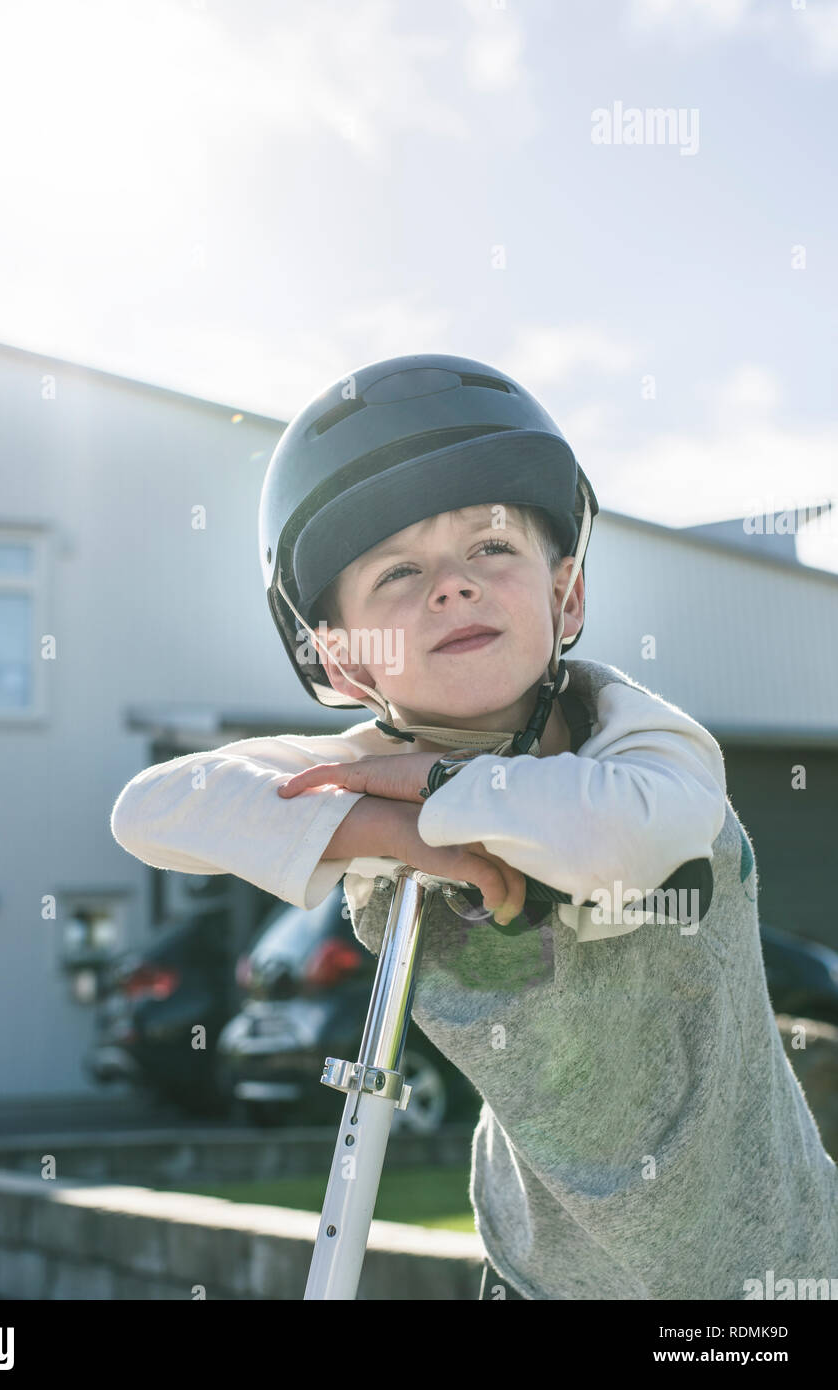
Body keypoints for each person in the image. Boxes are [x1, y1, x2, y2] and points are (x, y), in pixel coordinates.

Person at [110, 352, 838, 1300]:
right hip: (536, 1276)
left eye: (491, 548)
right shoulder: (367, 778)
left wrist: (429, 783)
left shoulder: (646, 740)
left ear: (565, 595)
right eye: (398, 572)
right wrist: (399, 830)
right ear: (344, 660)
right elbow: (151, 809)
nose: (450, 586)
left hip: (765, 1272)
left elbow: (620, 836)